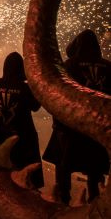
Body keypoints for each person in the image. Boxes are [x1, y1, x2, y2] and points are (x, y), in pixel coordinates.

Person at [43, 30, 110, 204]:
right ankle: (94, 196)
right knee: (94, 163)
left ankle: (63, 197)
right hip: (97, 124)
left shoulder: (68, 65)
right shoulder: (108, 66)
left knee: (63, 162)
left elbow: (57, 93)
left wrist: (58, 121)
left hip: (70, 125)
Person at [0, 52, 44, 189]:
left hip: (0, 135)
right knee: (27, 177)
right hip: (24, 138)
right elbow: (36, 106)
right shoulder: (26, 88)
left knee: (1, 175)